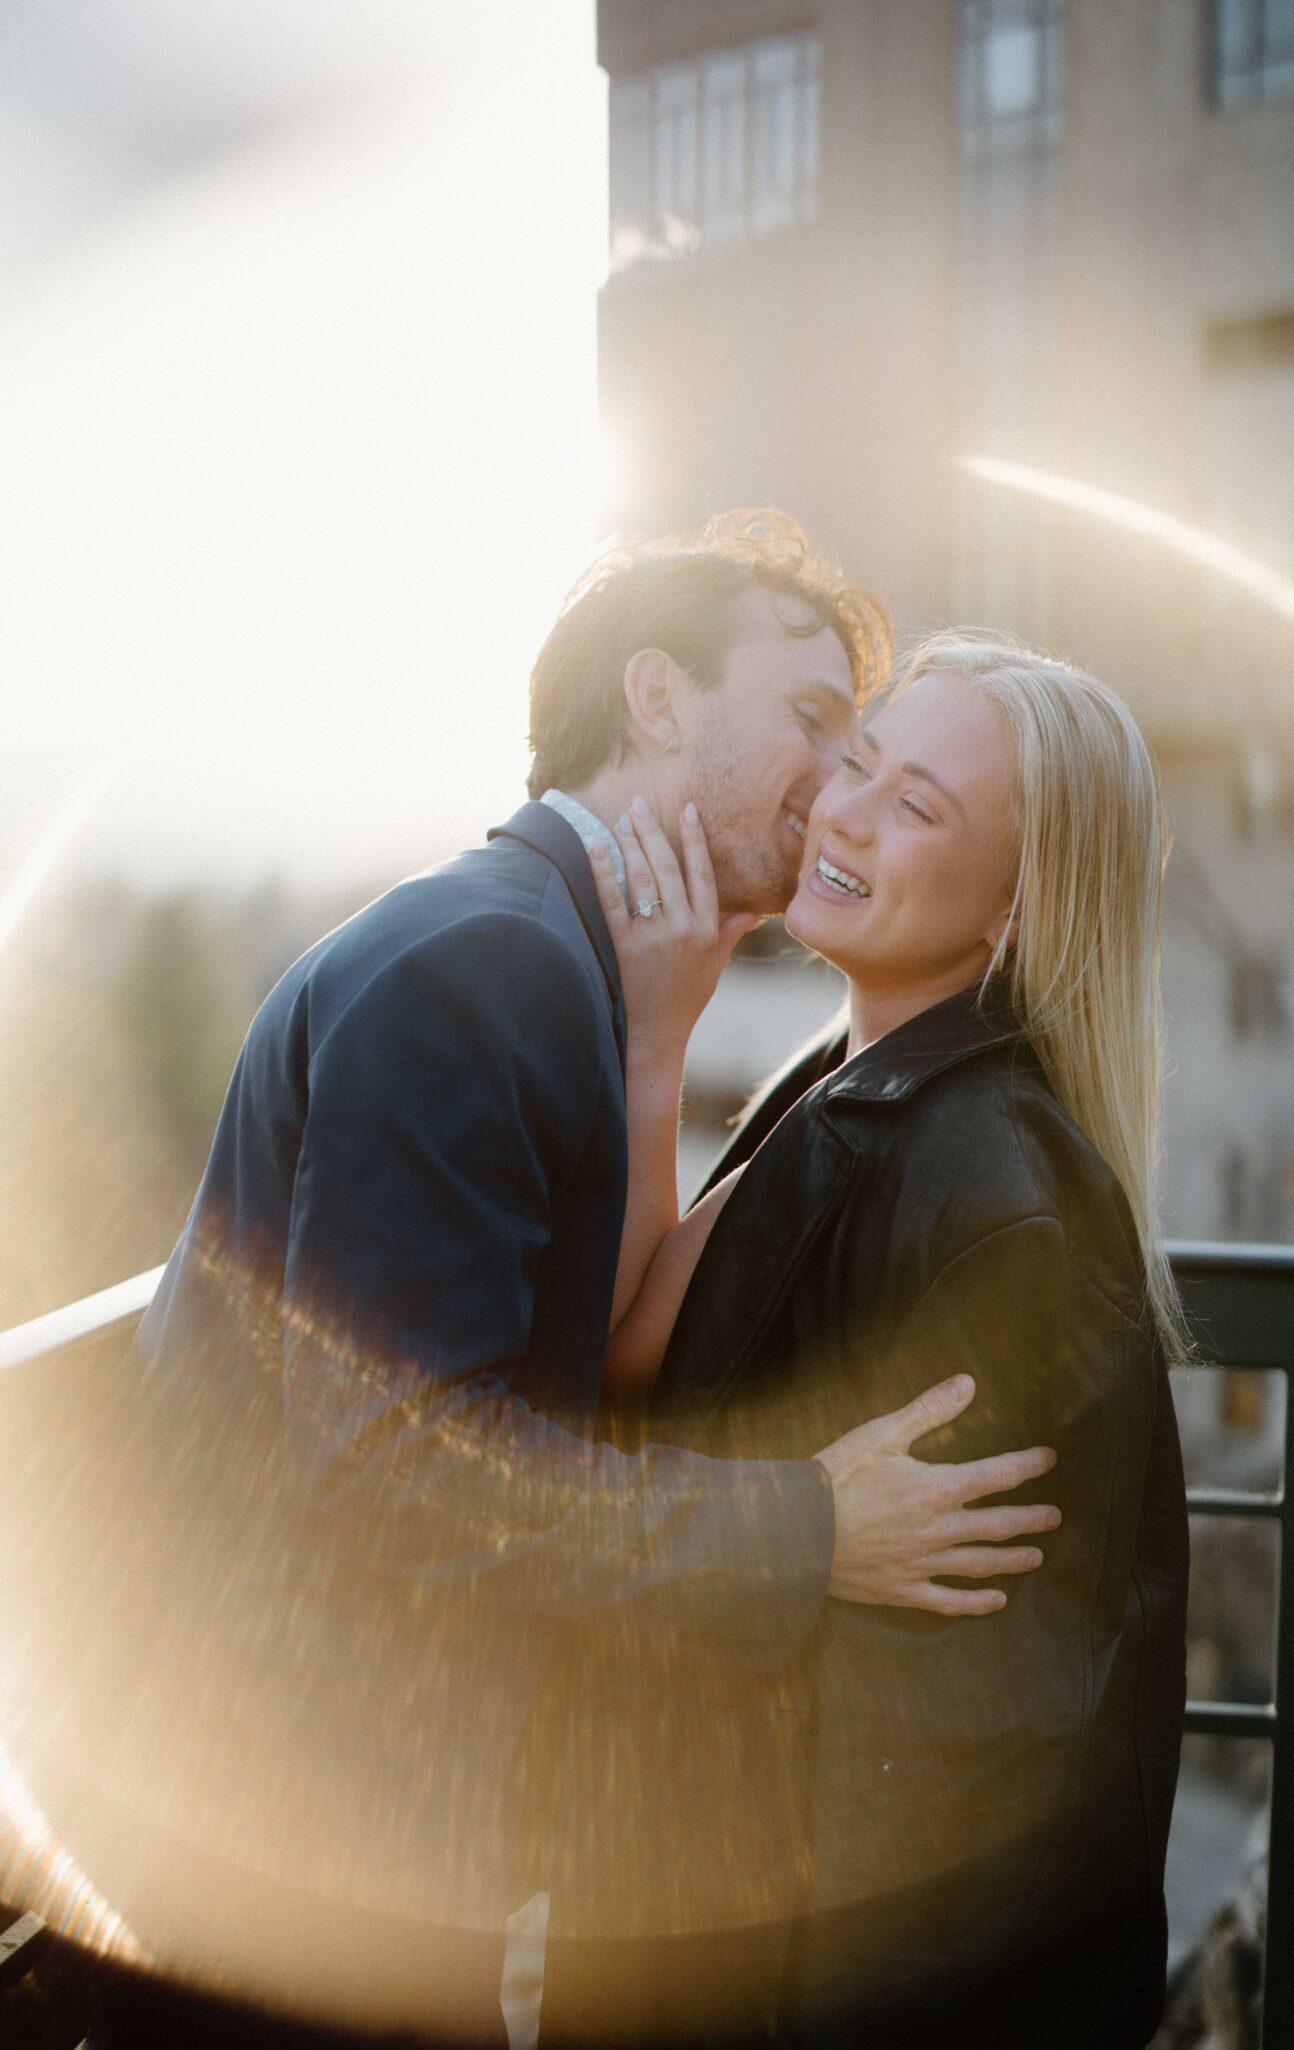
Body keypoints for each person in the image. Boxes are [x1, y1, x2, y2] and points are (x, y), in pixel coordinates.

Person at [0, 521, 1062, 2048]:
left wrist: (656, 1039)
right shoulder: (481, 966)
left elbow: (570, 1343)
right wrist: (806, 1526)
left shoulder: (556, 955)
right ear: (654, 698)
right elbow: (397, 1467)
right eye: (814, 721)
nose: (837, 784)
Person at [589, 632, 1190, 2049]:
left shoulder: (991, 1199)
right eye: (856, 762)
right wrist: (656, 1041)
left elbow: (960, 1757)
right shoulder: (848, 1074)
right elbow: (635, 1351)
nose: (846, 811)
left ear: (1016, 912)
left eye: (919, 806)